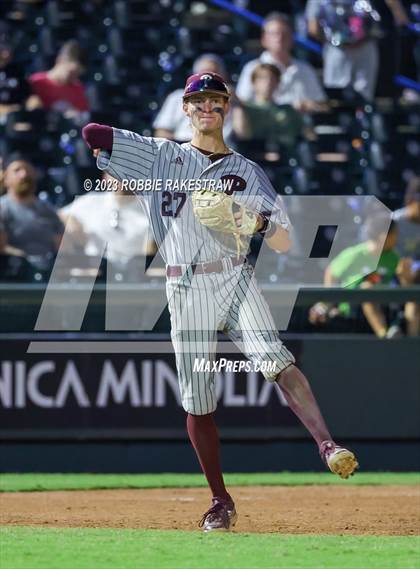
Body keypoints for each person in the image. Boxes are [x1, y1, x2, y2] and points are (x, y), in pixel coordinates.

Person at [82, 71, 358, 532]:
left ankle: (328, 446)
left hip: (234, 276)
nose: (207, 107)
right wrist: (111, 155)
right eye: (198, 100)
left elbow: (287, 242)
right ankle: (220, 500)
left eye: (215, 100)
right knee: (198, 400)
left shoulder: (248, 172)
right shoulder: (160, 157)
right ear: (185, 108)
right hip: (185, 285)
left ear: (226, 108)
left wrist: (252, 221)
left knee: (276, 361)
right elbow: (94, 133)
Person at [309, 217, 402, 338]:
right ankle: (383, 335)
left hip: (383, 306)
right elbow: (331, 272)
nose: (397, 237)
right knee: (367, 288)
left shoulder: (394, 257)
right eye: (395, 234)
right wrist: (328, 302)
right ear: (383, 236)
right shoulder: (355, 254)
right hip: (353, 308)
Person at [58, 172, 157, 279]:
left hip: (134, 276)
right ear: (105, 178)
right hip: (94, 275)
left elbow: (150, 256)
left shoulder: (151, 209)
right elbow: (59, 215)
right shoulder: (91, 201)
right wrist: (70, 220)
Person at [305, 0, 409, 101]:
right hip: (338, 51)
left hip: (363, 47)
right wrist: (339, 41)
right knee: (338, 94)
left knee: (362, 96)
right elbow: (313, 28)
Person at [236, 12, 327, 112]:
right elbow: (242, 104)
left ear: (292, 39)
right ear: (264, 39)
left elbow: (322, 105)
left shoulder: (306, 69)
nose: (279, 38)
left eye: (284, 34)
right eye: (274, 34)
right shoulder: (252, 68)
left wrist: (309, 106)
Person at [0, 153, 64, 270]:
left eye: (27, 169)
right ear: (5, 178)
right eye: (17, 170)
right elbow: (2, 247)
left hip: (47, 272)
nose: (24, 174)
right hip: (14, 273)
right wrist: (28, 261)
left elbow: (61, 246)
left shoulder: (48, 210)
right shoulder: (3, 208)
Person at [153, 53, 233, 142]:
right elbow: (161, 133)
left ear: (224, 76)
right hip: (183, 147)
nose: (208, 79)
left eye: (214, 73)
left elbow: (244, 134)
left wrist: (237, 104)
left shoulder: (232, 99)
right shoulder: (177, 97)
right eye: (205, 73)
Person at [232, 63, 304, 149]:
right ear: (254, 83)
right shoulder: (245, 108)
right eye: (262, 79)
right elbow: (242, 135)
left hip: (286, 154)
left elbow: (301, 135)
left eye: (273, 78)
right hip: (254, 154)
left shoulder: (288, 109)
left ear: (278, 83)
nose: (268, 82)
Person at [29, 40, 89, 120]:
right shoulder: (36, 82)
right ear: (60, 60)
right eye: (71, 72)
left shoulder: (78, 89)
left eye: (78, 74)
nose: (74, 77)